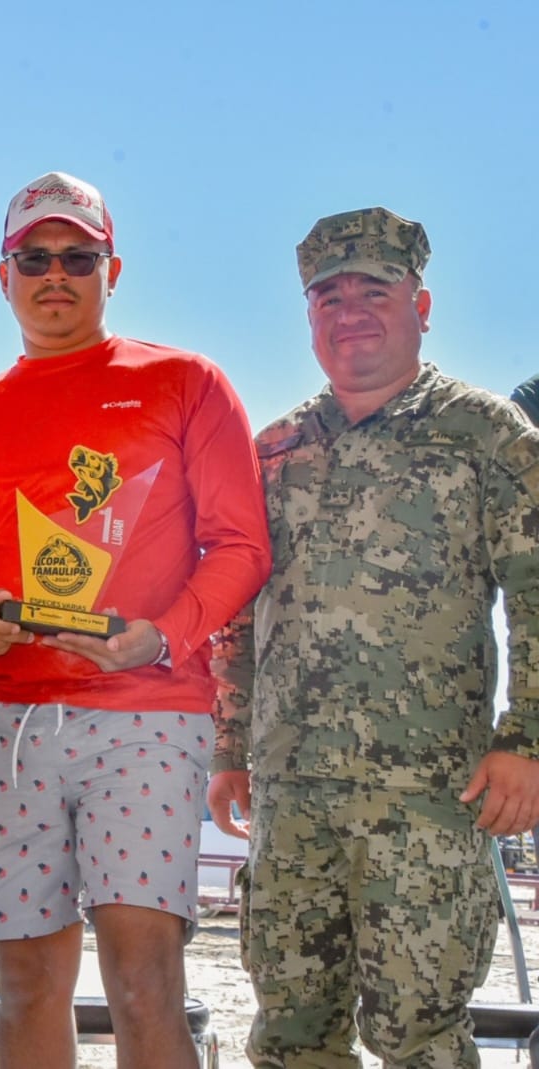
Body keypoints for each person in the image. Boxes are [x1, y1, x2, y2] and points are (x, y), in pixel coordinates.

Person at [0, 172, 271, 1068]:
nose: (55, 274)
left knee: (145, 981)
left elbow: (241, 546)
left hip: (149, 716)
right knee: (27, 986)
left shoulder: (188, 382)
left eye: (78, 257)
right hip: (9, 724)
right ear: (3, 275)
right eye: (33, 257)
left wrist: (162, 633)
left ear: (112, 270)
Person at [208, 206, 539, 1066]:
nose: (350, 311)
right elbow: (238, 608)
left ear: (420, 306)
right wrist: (229, 746)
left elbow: (537, 590)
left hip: (429, 797)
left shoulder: (487, 437)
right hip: (292, 797)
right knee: (291, 1034)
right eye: (330, 296)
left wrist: (527, 739)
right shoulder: (274, 449)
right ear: (309, 314)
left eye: (374, 291)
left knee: (418, 1035)